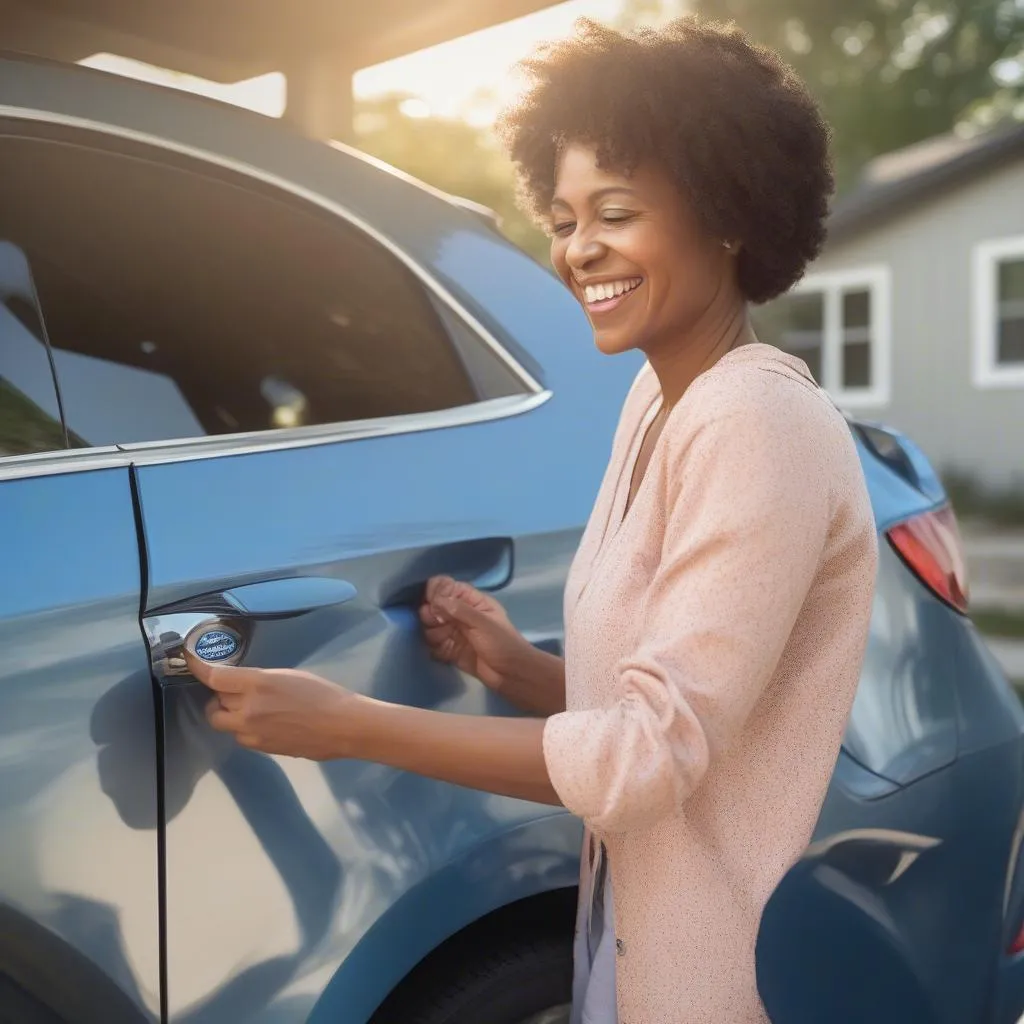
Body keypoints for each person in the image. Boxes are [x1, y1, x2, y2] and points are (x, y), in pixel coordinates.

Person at [187, 16, 879, 1023]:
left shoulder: (755, 421)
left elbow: (648, 757)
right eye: (560, 217)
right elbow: (691, 708)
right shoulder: (660, 398)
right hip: (632, 937)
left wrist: (349, 727)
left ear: (728, 215)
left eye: (616, 211)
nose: (578, 248)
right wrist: (516, 670)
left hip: (713, 979)